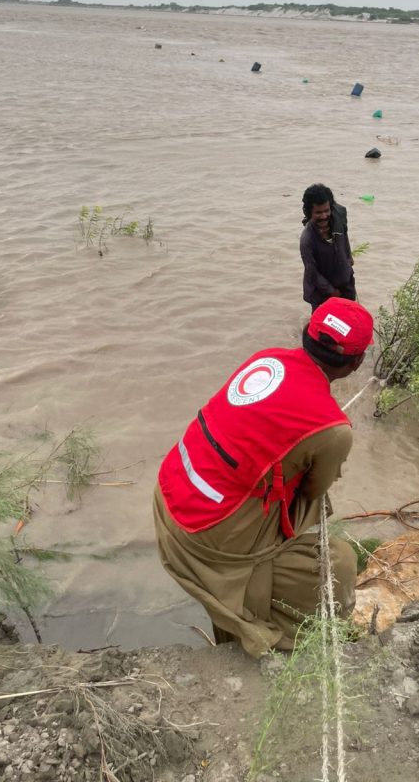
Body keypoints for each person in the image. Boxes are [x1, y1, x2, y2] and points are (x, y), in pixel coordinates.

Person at [153, 297, 374, 657]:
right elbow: (314, 491)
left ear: (306, 334)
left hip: (169, 496)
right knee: (340, 561)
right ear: (357, 362)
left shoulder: (266, 359)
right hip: (205, 533)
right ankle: (282, 632)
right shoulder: (334, 429)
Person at [299, 183, 356, 312]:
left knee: (349, 322)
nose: (324, 216)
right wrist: (331, 291)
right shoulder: (307, 240)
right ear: (309, 213)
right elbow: (311, 272)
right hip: (322, 293)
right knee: (323, 327)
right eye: (318, 212)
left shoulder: (339, 216)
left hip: (345, 284)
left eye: (326, 210)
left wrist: (349, 257)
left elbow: (345, 233)